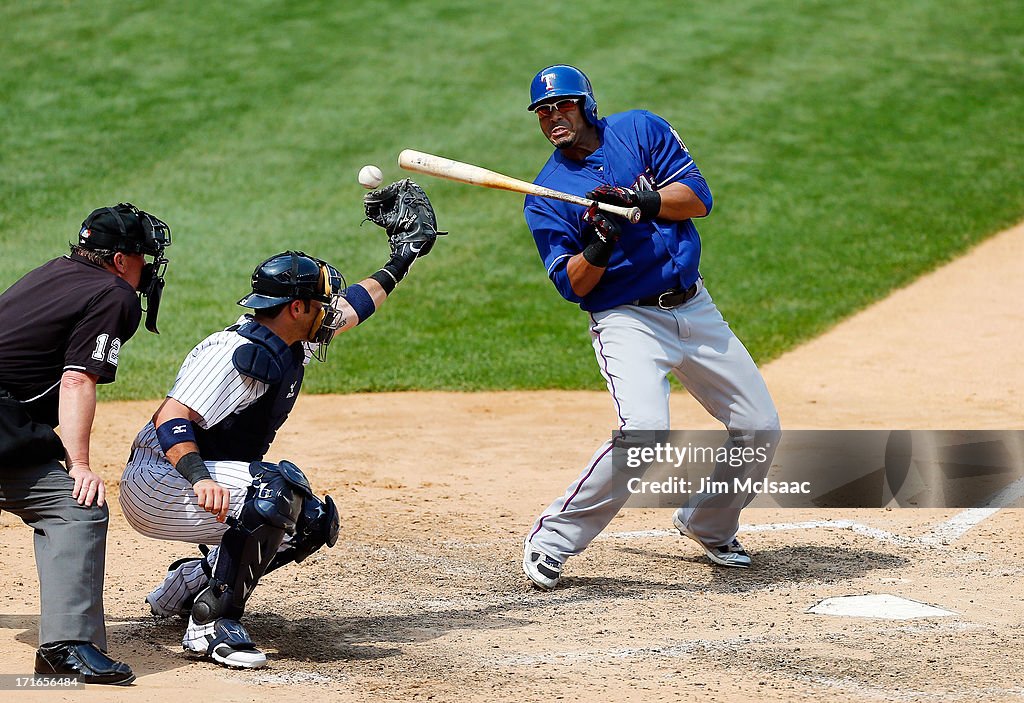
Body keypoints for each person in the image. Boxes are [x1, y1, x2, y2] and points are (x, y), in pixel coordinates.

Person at [118, 180, 442, 669]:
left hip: (189, 480)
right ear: (296, 308)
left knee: (311, 520)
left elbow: (354, 306)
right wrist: (199, 478)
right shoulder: (232, 355)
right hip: (159, 481)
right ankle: (211, 624)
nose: (329, 309)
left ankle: (190, 585)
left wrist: (404, 257)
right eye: (319, 301)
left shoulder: (290, 334)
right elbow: (171, 419)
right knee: (275, 494)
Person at [520, 65, 781, 590]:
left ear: (586, 104)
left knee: (760, 426)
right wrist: (602, 239)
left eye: (563, 105)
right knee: (644, 433)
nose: (554, 118)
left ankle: (708, 523)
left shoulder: (641, 130)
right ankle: (552, 540)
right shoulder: (546, 195)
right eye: (544, 111)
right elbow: (574, 285)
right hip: (627, 319)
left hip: (695, 306)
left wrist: (643, 202)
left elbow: (699, 198)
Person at [0, 203, 172, 684]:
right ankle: (66, 648)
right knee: (74, 509)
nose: (148, 267)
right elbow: (77, 380)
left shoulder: (52, 272)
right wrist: (79, 464)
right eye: (143, 256)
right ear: (120, 260)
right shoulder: (113, 293)